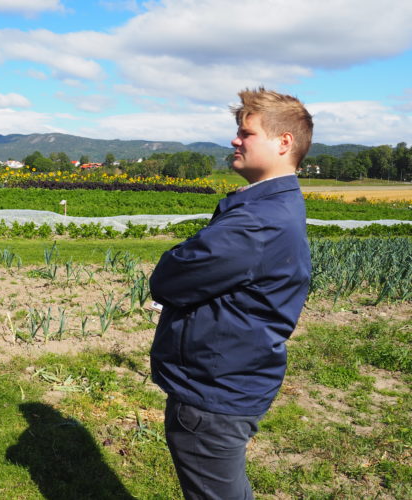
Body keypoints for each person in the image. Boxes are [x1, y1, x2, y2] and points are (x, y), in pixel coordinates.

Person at [149, 87, 313, 499]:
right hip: (233, 375)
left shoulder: (258, 222)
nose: (235, 140)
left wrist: (177, 256)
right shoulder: (272, 206)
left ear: (283, 142)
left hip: (214, 388)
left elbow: (169, 278)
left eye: (247, 132)